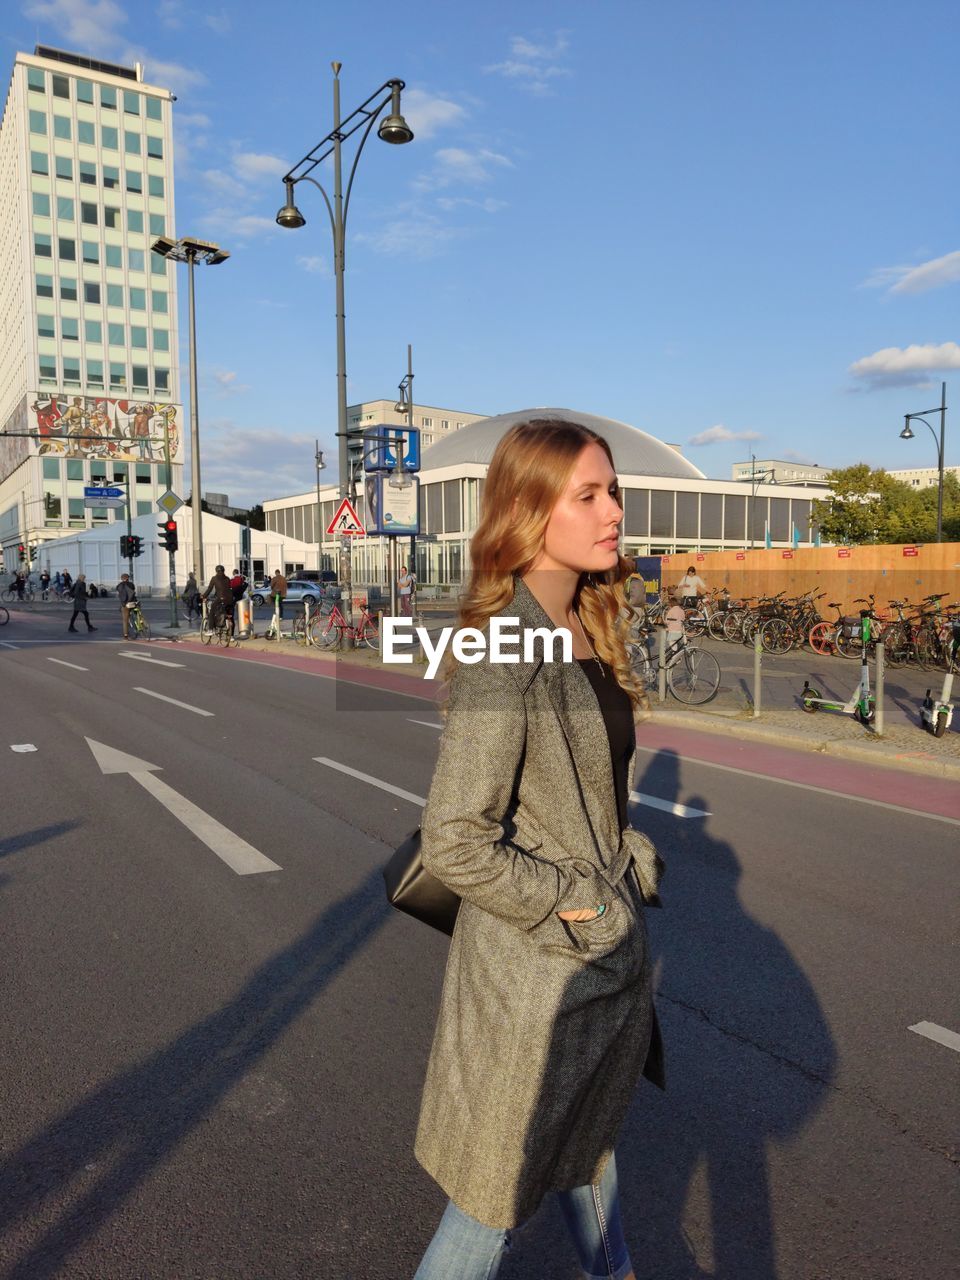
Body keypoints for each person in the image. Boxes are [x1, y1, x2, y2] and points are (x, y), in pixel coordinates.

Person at [413, 418, 664, 1280]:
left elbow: (579, 796)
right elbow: (454, 839)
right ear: (528, 511)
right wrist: (583, 904)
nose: (614, 512)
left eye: (614, 490)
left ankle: (614, 1270)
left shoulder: (584, 624)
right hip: (538, 979)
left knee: (586, 1148)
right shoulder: (503, 644)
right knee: (486, 1214)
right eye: (588, 495)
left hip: (584, 973)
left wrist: (626, 849)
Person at [203, 565, 234, 631]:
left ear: (216, 571)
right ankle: (231, 635)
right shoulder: (227, 578)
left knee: (212, 611)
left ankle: (210, 629)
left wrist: (203, 596)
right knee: (228, 613)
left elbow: (209, 589)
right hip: (229, 599)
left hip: (221, 598)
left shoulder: (214, 578)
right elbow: (227, 588)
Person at [116, 573, 138, 639]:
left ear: (122, 579)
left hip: (126, 604)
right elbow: (133, 592)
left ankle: (126, 635)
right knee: (136, 613)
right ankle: (140, 622)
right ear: (128, 578)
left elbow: (120, 596)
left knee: (125, 620)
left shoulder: (119, 586)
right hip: (133, 603)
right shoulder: (131, 584)